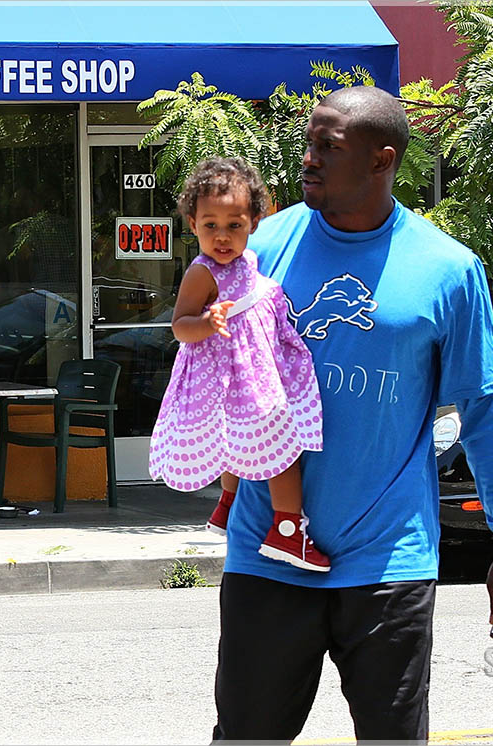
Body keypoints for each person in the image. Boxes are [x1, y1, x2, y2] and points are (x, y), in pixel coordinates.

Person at [211, 86, 493, 742]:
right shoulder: (262, 250)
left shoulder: (447, 269)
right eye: (308, 143)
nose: (307, 159)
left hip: (388, 561)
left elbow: (484, 412)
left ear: (381, 159)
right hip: (268, 552)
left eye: (326, 148)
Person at [149, 157, 327, 570]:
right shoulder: (202, 272)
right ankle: (286, 530)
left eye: (235, 225)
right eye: (211, 225)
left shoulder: (248, 260)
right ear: (192, 224)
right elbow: (179, 327)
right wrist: (207, 322)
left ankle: (227, 506)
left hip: (254, 367)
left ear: (254, 222)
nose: (223, 236)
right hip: (230, 373)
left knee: (239, 442)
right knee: (281, 447)